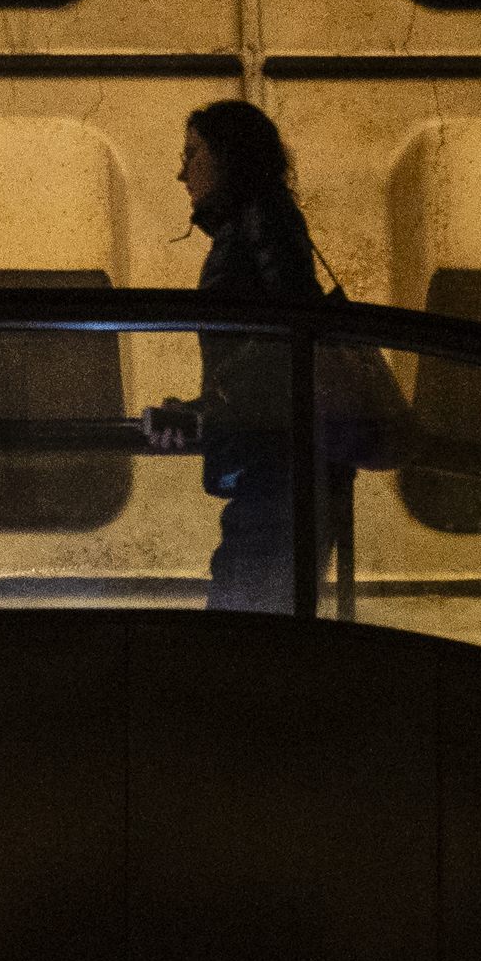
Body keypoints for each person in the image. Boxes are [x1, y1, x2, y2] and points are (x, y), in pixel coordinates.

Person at [138, 101, 357, 614]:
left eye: (193, 153)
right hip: (280, 470)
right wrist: (205, 405)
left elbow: (289, 332)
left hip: (279, 474)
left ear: (228, 156)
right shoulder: (260, 221)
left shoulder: (262, 219)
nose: (181, 171)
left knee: (244, 635)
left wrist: (206, 405)